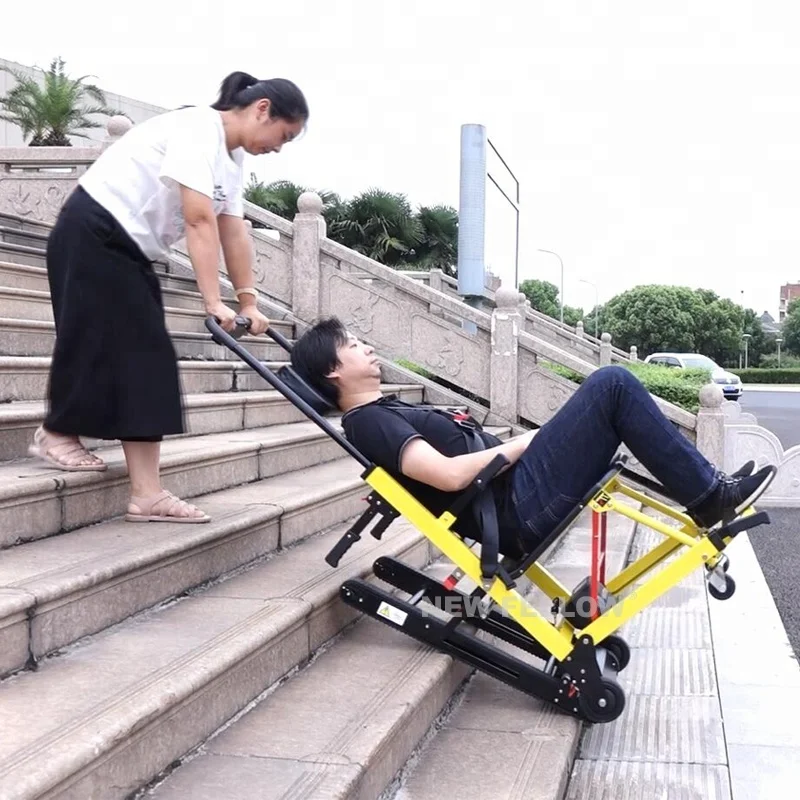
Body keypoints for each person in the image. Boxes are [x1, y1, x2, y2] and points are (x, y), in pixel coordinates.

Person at [29, 71, 309, 524]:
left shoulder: (232, 159)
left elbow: (232, 230)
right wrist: (213, 301)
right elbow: (198, 219)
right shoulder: (198, 128)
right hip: (92, 230)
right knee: (120, 346)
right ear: (263, 110)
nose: (279, 147)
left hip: (129, 248)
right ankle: (63, 437)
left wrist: (249, 299)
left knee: (144, 355)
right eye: (284, 135)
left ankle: (143, 492)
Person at [288, 317, 776, 557]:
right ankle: (710, 495)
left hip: (515, 491)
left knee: (612, 391)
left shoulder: (380, 409)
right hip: (514, 508)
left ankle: (707, 490)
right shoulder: (368, 421)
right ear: (333, 370)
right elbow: (451, 474)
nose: (368, 347)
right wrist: (529, 442)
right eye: (354, 346)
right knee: (612, 385)